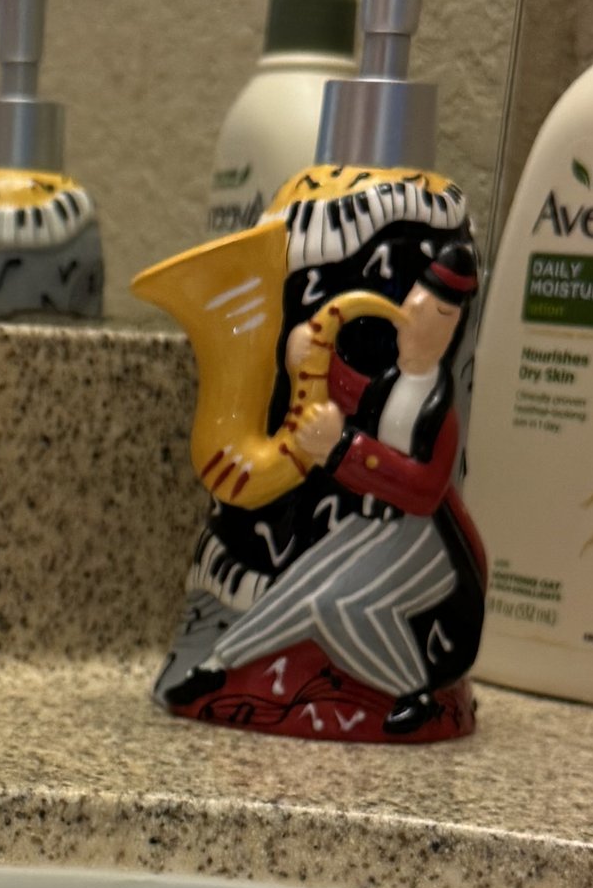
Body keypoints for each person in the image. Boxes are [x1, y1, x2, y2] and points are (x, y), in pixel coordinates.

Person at [167, 246, 487, 738]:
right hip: (381, 528)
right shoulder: (395, 383)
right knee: (301, 580)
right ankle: (218, 664)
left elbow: (425, 490)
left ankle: (412, 690)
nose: (416, 322)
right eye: (415, 308)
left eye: (438, 315)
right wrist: (312, 356)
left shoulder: (439, 409)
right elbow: (354, 395)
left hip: (429, 543)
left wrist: (343, 450)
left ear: (452, 330)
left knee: (336, 604)